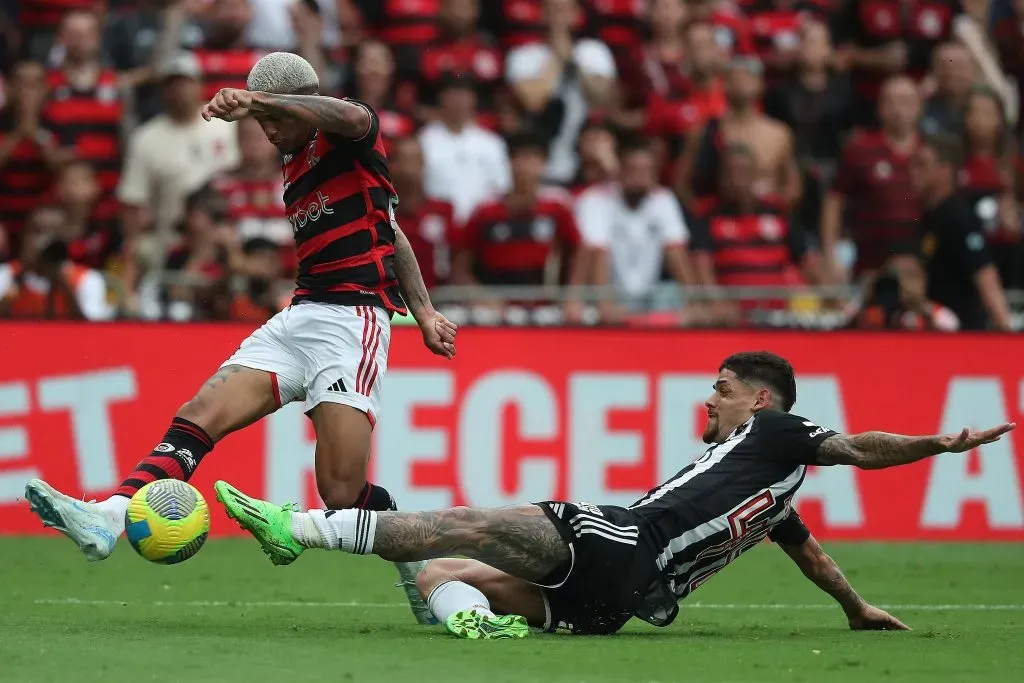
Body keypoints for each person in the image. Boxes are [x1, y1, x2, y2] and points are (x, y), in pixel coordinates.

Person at [23, 52, 458, 626]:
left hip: (354, 323)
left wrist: (420, 314)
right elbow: (391, 231)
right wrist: (426, 312)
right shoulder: (293, 160)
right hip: (299, 316)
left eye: (275, 118)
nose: (268, 131)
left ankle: (422, 568)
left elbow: (360, 141)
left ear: (300, 102)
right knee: (200, 412)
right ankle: (109, 515)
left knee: (341, 492)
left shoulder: (349, 131)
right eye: (260, 123)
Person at [214, 351, 1015, 639]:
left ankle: (301, 528)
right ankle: (475, 625)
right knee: (436, 577)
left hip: (620, 538)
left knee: (463, 522)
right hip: (624, 603)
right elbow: (810, 552)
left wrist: (934, 443)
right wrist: (854, 608)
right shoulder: (770, 491)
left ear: (761, 402)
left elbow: (857, 448)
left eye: (723, 388)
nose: (709, 398)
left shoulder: (781, 434)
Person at [910, 133, 1014, 331]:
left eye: (922, 165)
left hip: (963, 335)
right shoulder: (928, 217)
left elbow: (985, 274)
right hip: (935, 330)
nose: (913, 172)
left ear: (945, 170)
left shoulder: (958, 217)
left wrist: (1006, 332)